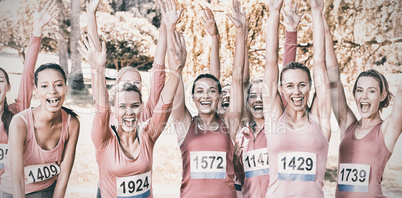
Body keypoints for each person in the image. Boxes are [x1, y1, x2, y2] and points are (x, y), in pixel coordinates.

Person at [78, 16, 185, 196]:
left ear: (141, 105)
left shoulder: (146, 131)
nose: (129, 111)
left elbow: (160, 82)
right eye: (122, 106)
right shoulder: (105, 132)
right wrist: (98, 68)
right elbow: (101, 106)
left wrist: (167, 29)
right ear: (114, 104)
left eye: (135, 104)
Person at [159, 0, 246, 196]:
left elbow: (238, 76)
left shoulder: (230, 123)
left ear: (219, 96)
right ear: (192, 97)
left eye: (211, 91)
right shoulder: (184, 124)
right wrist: (170, 28)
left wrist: (240, 31)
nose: (205, 95)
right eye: (199, 91)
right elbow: (175, 74)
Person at [322, 9, 402, 198]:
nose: (364, 96)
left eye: (371, 91)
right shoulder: (347, 124)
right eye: (360, 90)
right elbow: (334, 81)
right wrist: (323, 23)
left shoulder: (387, 130)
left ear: (382, 95)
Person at [232, 2, 303, 197]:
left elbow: (281, 67)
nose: (258, 100)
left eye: (263, 95)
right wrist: (236, 162)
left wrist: (290, 32)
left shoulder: (280, 123)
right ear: (247, 102)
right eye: (253, 96)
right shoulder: (242, 135)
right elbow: (243, 176)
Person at [263, 0, 331, 197]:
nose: (297, 92)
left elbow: (319, 62)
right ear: (281, 89)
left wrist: (317, 13)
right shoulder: (275, 118)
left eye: (302, 85)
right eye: (290, 86)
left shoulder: (320, 119)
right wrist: (274, 12)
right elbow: (270, 61)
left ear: (310, 86)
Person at [0, 0, 56, 186]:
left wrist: (37, 29)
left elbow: (28, 74)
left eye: (0, 81)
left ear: (8, 86)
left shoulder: (17, 112)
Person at [3, 62, 80, 197]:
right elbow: (18, 180)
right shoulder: (20, 123)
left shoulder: (72, 123)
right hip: (14, 191)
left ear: (66, 89)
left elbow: (63, 175)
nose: (52, 91)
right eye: (44, 86)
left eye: (58, 84)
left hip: (47, 190)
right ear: (36, 91)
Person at [86, 0, 167, 122]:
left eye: (136, 83)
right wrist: (91, 14)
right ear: (116, 86)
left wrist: (167, 22)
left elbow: (158, 70)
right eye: (126, 82)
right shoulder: (107, 112)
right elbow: (96, 67)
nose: (131, 86)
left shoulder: (146, 112)